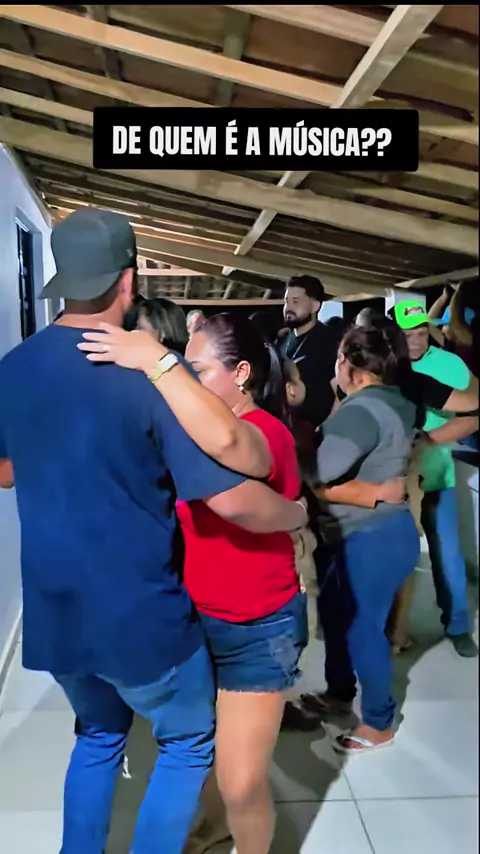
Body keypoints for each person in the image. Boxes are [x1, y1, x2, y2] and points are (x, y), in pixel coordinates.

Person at [0, 209, 308, 854]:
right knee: (187, 742)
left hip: (54, 610)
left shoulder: (14, 366)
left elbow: (6, 473)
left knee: (97, 736)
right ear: (128, 280)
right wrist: (299, 515)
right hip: (137, 612)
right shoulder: (148, 376)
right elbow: (231, 488)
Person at [78, 312, 309, 854]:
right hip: (195, 618)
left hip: (257, 626)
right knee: (204, 754)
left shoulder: (262, 433)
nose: (187, 379)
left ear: (242, 373)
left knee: (241, 780)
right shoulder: (189, 432)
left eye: (198, 370)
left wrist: (155, 361)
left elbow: (233, 499)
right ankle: (217, 824)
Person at [302, 325, 422, 753]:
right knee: (338, 617)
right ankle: (339, 692)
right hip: (384, 533)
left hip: (368, 539)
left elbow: (316, 476)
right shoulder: (397, 401)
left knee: (361, 630)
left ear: (349, 364)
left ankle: (378, 722)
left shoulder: (360, 413)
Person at [394, 299, 478, 658]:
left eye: (420, 333)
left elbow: (474, 416)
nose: (415, 342)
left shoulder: (450, 365)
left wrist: (430, 440)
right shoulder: (388, 365)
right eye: (406, 335)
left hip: (437, 475)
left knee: (446, 554)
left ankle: (458, 626)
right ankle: (394, 631)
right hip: (395, 480)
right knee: (396, 559)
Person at [277, 275, 339, 429]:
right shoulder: (282, 339)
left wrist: (325, 430)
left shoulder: (329, 342)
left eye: (296, 301)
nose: (288, 308)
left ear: (315, 306)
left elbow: (341, 394)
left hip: (314, 431)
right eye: (286, 301)